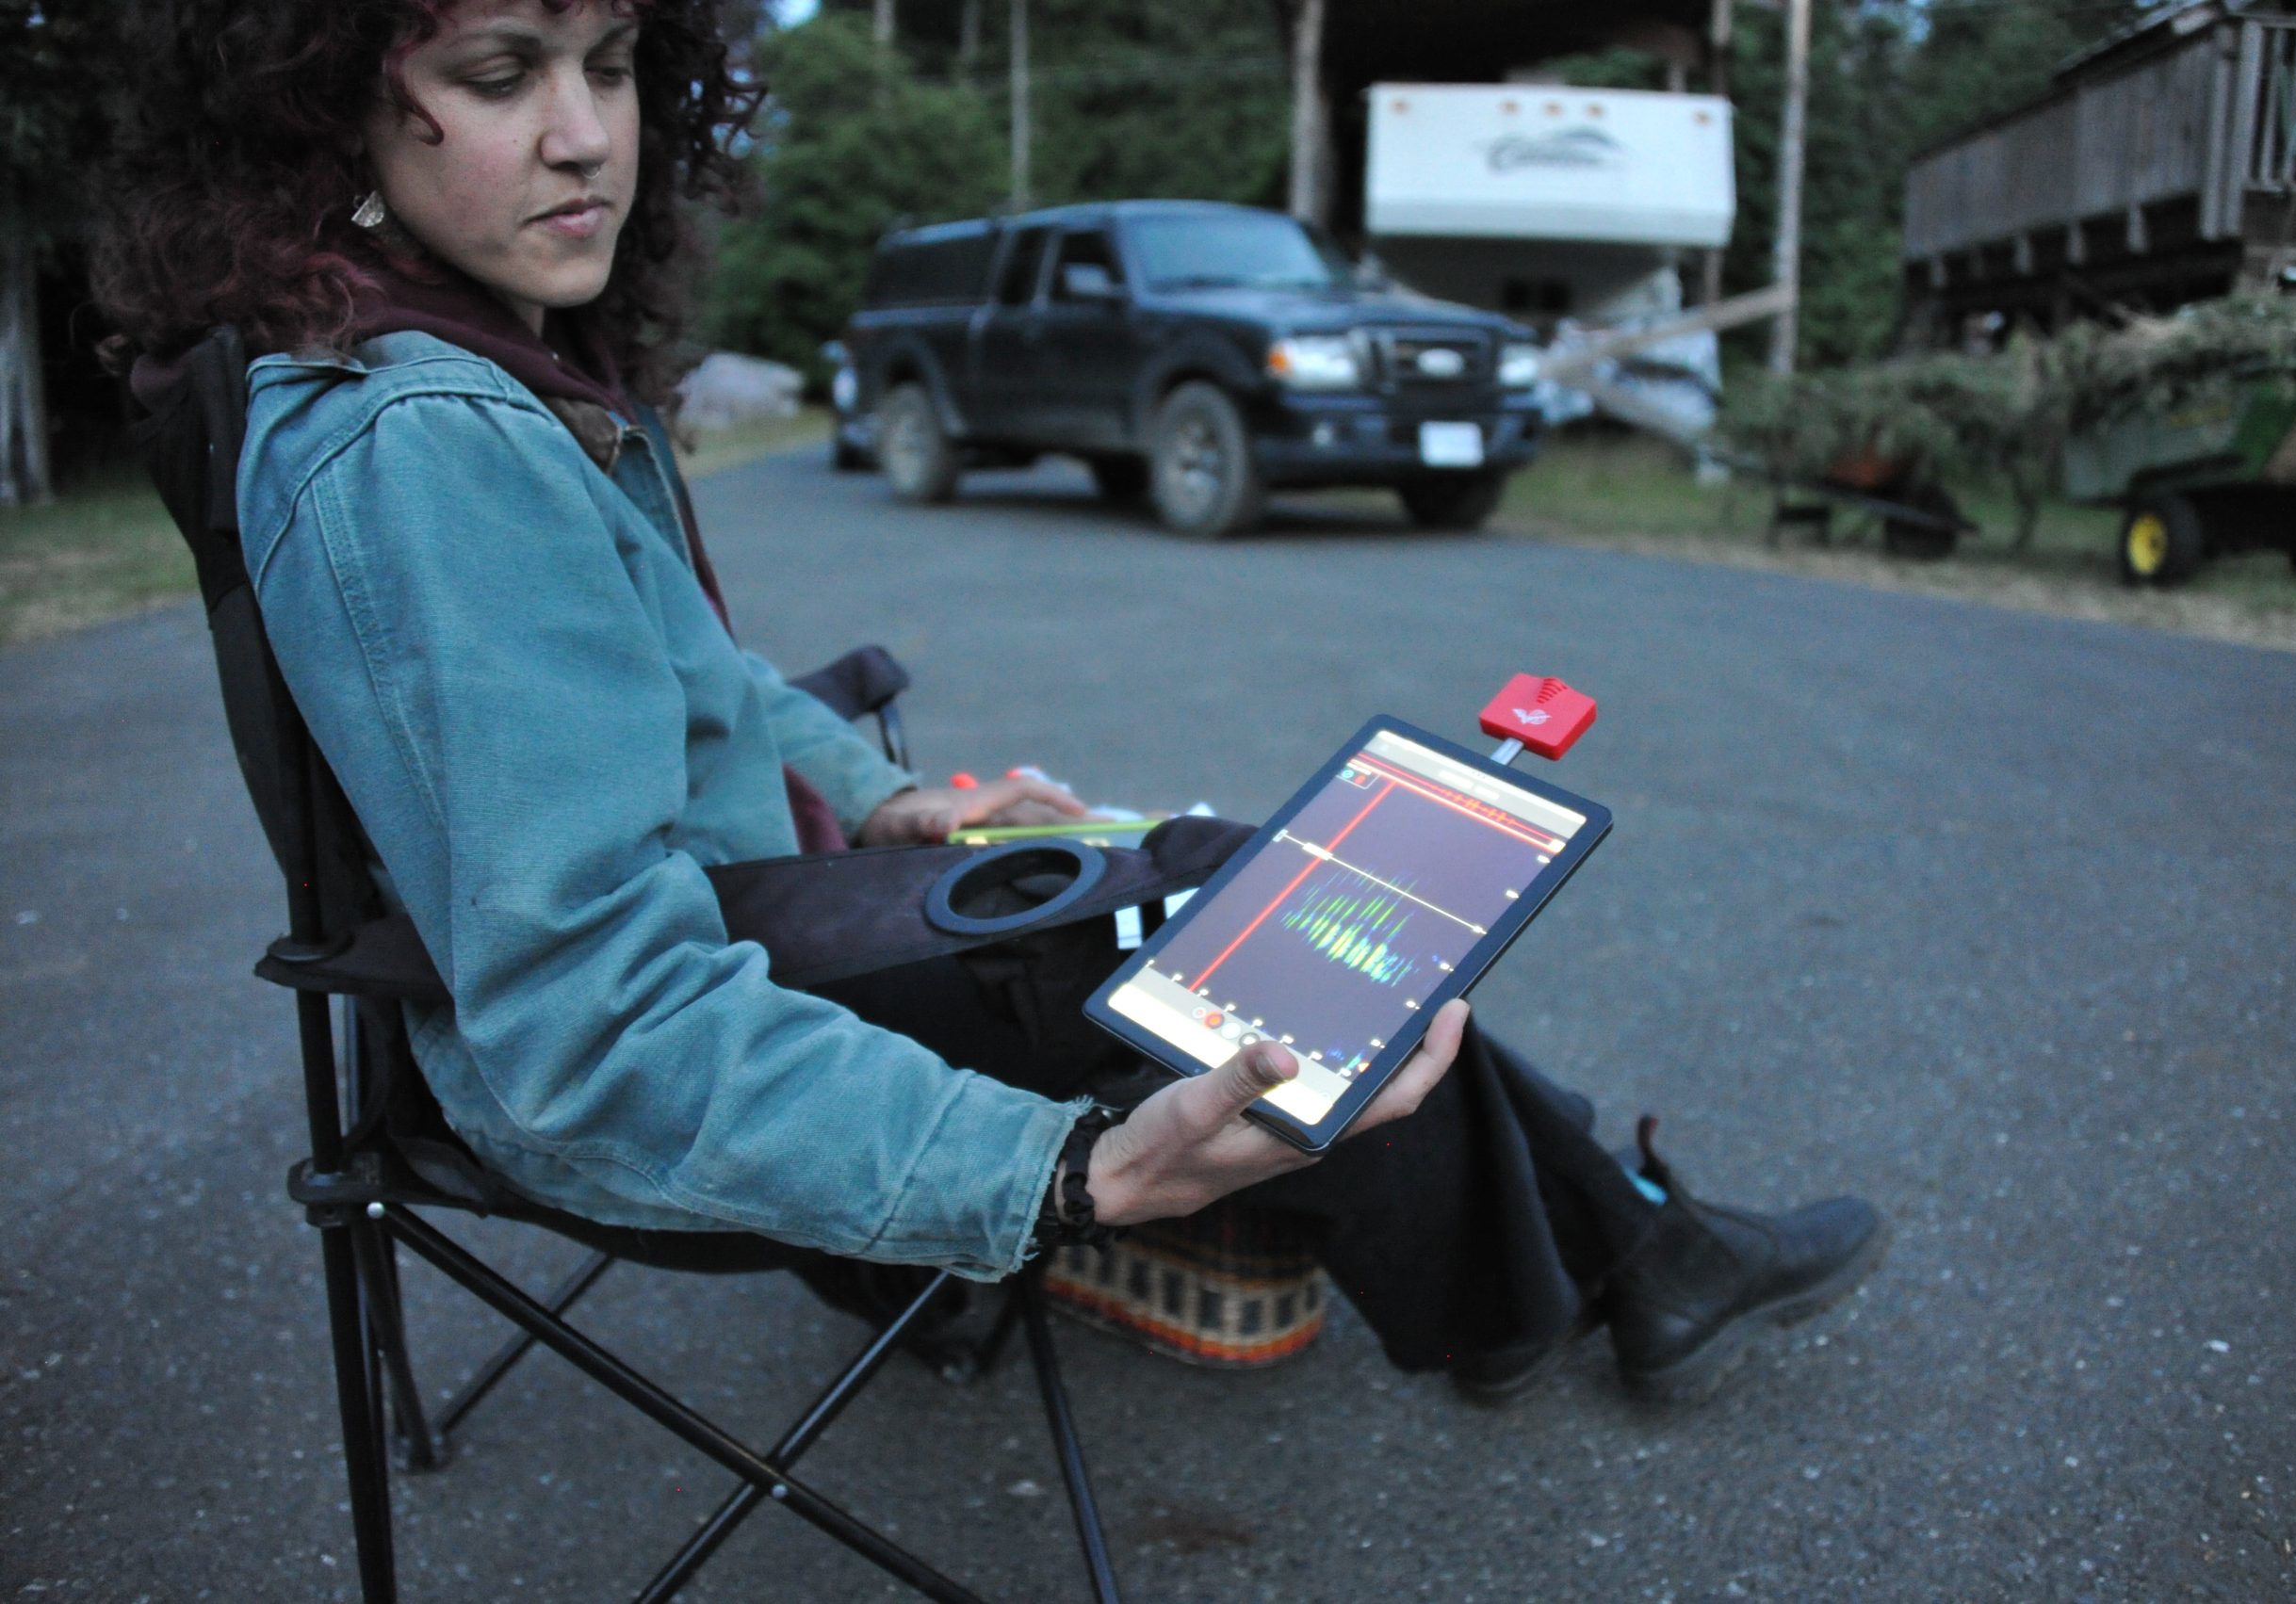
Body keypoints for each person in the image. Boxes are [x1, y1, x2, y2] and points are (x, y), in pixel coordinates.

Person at [96, 0, 1885, 1406]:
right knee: (1262, 905)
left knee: (1218, 881)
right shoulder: (430, 443)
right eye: (499, 74)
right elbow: (592, 1030)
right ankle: (1597, 1270)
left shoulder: (455, 358)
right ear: (329, 107)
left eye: (614, 62)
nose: (585, 135)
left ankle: (1603, 1263)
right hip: (671, 1043)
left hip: (751, 936)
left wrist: (873, 803)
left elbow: (687, 676)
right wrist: (1061, 1175)